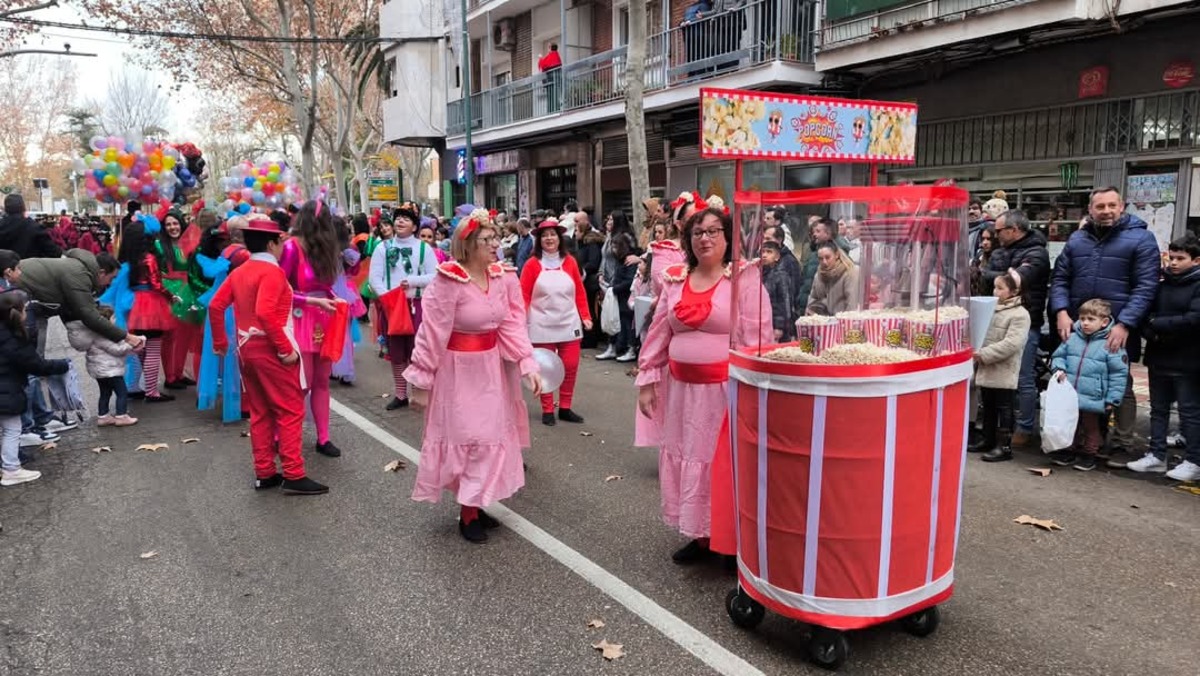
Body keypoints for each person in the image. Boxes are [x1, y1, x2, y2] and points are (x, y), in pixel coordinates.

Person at [636, 207, 772, 564]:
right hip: (681, 393)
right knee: (687, 456)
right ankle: (698, 535)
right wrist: (648, 379)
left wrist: (757, 389)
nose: (705, 238)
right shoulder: (675, 279)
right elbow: (659, 332)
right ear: (688, 239)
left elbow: (759, 337)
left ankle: (728, 539)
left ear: (728, 238)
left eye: (713, 231)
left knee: (723, 462)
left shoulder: (744, 279)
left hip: (727, 394)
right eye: (698, 232)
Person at [404, 209, 542, 544]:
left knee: (489, 436)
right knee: (469, 438)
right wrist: (421, 381)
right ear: (467, 243)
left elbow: (510, 323)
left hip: (490, 370)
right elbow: (431, 332)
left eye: (496, 237)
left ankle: (477, 503)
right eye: (487, 239)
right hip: (457, 371)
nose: (495, 244)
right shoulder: (448, 281)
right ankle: (468, 511)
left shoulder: (502, 277)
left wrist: (527, 362)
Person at [209, 218, 329, 496]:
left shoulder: (240, 271)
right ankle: (293, 473)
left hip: (246, 349)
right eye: (280, 241)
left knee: (261, 411)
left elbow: (216, 306)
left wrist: (220, 341)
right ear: (272, 243)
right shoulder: (272, 273)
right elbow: (265, 312)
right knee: (290, 410)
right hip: (270, 349)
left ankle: (265, 472)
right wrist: (285, 348)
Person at [1050, 187, 1160, 468]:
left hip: (1117, 329)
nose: (1107, 211)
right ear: (1091, 210)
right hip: (1079, 327)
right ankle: (1083, 441)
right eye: (1100, 206)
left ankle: (1122, 444)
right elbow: (1060, 278)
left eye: (1112, 205)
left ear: (1122, 207)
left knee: (1119, 384)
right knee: (1076, 383)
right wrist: (1061, 312)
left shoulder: (1141, 239)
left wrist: (1125, 324)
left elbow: (1147, 286)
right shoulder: (1077, 239)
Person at [1127, 234, 1200, 481]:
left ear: (1196, 260)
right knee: (1158, 410)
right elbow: (1146, 315)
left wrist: (1158, 324)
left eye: (1181, 258)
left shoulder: (1197, 285)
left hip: (1187, 359)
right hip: (1159, 355)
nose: (1174, 263)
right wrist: (1153, 329)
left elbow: (1193, 320)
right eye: (1172, 257)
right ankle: (1156, 455)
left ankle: (1194, 460)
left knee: (1189, 411)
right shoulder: (1161, 284)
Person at [279, 201, 346, 458]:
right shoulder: (290, 248)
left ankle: (323, 437)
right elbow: (281, 289)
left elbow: (323, 284)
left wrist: (331, 297)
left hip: (323, 318)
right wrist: (311, 300)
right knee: (300, 384)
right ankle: (283, 435)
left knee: (321, 381)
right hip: (298, 320)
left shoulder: (324, 251)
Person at [982, 210, 1050, 449]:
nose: (995, 234)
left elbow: (1015, 281)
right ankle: (991, 433)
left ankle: (1024, 426)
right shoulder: (999, 252)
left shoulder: (1037, 252)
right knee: (994, 377)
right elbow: (988, 278)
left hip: (1025, 319)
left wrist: (995, 277)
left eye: (999, 230)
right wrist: (996, 277)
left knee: (1023, 377)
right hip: (996, 318)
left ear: (1014, 230)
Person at [520, 218, 592, 426]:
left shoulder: (569, 262)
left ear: (559, 238)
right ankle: (547, 409)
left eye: (553, 235)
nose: (549, 239)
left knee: (570, 365)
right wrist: (521, 318)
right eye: (545, 236)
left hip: (568, 321)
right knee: (545, 367)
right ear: (539, 240)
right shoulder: (532, 265)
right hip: (541, 323)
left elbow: (579, 290)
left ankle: (566, 407)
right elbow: (523, 294)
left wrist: (585, 315)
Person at [1049, 299, 1130, 472]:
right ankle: (1069, 449)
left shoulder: (1111, 343)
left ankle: (1089, 454)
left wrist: (1113, 399)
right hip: (1070, 393)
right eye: (1083, 318)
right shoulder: (1072, 338)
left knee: (1090, 427)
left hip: (1093, 395)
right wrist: (1059, 368)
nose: (1085, 322)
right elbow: (1058, 356)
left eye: (1091, 319)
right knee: (1071, 424)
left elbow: (1119, 374)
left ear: (1104, 322)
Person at [369, 206, 437, 411]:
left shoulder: (424, 248)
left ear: (414, 226)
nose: (399, 222)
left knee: (418, 351)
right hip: (393, 307)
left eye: (405, 220)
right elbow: (374, 278)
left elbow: (435, 276)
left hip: (417, 306)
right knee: (396, 352)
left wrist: (413, 281)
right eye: (397, 219)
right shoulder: (382, 247)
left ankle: (419, 393)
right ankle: (400, 394)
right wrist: (388, 299)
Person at [0, 290, 70, 487]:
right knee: (12, 430)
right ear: (18, 313)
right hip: (7, 394)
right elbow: (36, 365)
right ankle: (11, 469)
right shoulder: (13, 338)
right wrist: (62, 365)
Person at [116, 216, 180, 403]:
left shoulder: (128, 259)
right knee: (153, 349)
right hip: (151, 305)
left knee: (141, 348)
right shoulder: (149, 258)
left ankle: (141, 387)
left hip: (134, 305)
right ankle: (152, 391)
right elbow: (156, 284)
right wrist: (171, 296)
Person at [970, 273, 1031, 463]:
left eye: (1001, 288)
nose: (995, 291)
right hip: (987, 366)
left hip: (1003, 367)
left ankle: (1004, 446)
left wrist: (984, 354)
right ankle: (988, 439)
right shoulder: (993, 309)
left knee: (1004, 407)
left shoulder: (1020, 314)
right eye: (995, 287)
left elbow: (1012, 343)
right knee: (988, 404)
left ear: (1014, 291)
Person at [65, 306, 137, 427]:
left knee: (105, 393)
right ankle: (121, 416)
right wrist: (131, 345)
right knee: (122, 392)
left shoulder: (92, 335)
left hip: (99, 371)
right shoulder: (103, 335)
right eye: (113, 318)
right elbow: (117, 350)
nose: (115, 320)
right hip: (110, 370)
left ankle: (103, 416)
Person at [159, 210, 202, 391]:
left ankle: (179, 373)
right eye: (168, 224)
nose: (172, 227)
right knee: (171, 337)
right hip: (170, 292)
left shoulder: (191, 243)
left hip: (189, 291)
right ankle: (170, 376)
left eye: (175, 223)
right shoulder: (159, 245)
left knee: (186, 336)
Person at [596, 210, 639, 361]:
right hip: (609, 280)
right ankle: (613, 346)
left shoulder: (625, 238)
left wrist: (615, 284)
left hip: (619, 280)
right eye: (607, 219)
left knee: (623, 316)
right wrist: (601, 273)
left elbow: (626, 257)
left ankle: (626, 347)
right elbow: (604, 258)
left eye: (612, 220)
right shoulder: (609, 238)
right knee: (610, 314)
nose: (608, 222)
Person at [573, 212, 605, 349]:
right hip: (584, 281)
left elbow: (593, 262)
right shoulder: (581, 244)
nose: (574, 233)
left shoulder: (591, 244)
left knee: (591, 311)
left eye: (576, 230)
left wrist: (581, 270)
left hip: (590, 282)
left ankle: (591, 338)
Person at [0, 194, 62, 260]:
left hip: (4, 268)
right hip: (31, 267)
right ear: (23, 208)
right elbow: (54, 252)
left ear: (6, 209)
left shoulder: (2, 225)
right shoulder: (35, 227)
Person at [805, 241, 859, 316]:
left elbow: (852, 304)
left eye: (827, 257)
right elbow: (813, 299)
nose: (824, 262)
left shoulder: (850, 272)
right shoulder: (818, 275)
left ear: (836, 255)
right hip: (824, 323)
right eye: (821, 259)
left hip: (844, 321)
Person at [759, 240, 794, 341]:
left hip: (776, 325)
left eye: (769, 252)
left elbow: (784, 302)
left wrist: (779, 326)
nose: (764, 255)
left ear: (777, 257)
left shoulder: (781, 276)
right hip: (762, 323)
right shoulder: (758, 274)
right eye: (762, 252)